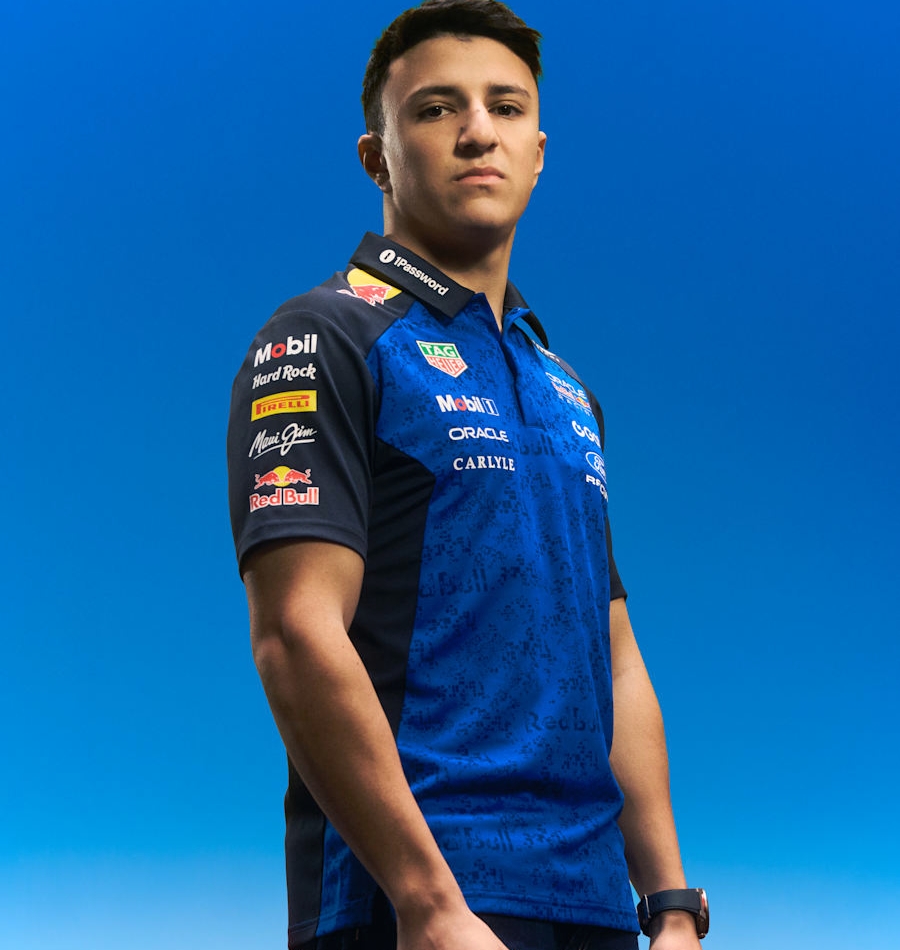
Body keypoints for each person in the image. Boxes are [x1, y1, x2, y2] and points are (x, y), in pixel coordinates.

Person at [227, 2, 708, 949]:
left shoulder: (566, 390)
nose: (478, 131)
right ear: (377, 157)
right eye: (437, 108)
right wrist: (429, 902)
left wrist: (670, 905)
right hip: (413, 903)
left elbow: (614, 657)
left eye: (506, 107)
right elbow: (294, 632)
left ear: (538, 151)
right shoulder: (323, 338)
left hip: (592, 905)